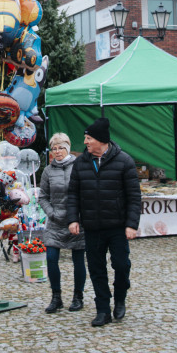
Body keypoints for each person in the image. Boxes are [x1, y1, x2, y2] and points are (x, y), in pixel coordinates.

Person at [66, 118, 141, 327]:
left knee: (121, 265)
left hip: (117, 227)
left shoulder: (124, 161)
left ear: (101, 140)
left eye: (89, 138)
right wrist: (73, 218)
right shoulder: (81, 162)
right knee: (97, 269)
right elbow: (73, 193)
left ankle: (120, 298)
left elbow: (134, 196)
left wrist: (131, 225)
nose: (86, 142)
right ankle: (102, 310)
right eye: (86, 138)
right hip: (92, 227)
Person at [38, 132, 86, 314]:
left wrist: (79, 215)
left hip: (76, 220)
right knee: (51, 257)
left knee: (78, 258)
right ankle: (56, 296)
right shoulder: (48, 171)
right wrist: (51, 212)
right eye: (54, 148)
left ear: (67, 147)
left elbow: (86, 192)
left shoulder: (79, 167)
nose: (57, 152)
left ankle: (78, 296)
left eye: (60, 148)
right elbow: (43, 196)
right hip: (55, 220)